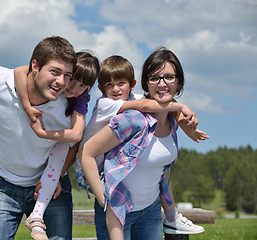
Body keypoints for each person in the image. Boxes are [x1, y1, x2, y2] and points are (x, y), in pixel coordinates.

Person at [0, 36, 77, 240]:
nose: (61, 82)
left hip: (47, 190)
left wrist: (57, 175)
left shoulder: (67, 108)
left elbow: (74, 144)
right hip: (1, 184)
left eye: (68, 75)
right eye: (55, 72)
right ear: (35, 66)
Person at [78, 49, 207, 239]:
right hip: (117, 204)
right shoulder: (124, 114)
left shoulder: (166, 119)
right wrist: (103, 198)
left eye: (169, 77)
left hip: (150, 209)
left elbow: (162, 167)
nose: (162, 83)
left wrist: (182, 121)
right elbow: (86, 153)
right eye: (155, 78)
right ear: (146, 83)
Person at [14, 51, 100, 240]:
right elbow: (20, 71)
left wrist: (57, 176)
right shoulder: (52, 85)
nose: (75, 88)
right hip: (25, 158)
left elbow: (76, 136)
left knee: (63, 146)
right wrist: (27, 106)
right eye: (73, 79)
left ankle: (37, 215)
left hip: (57, 154)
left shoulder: (81, 98)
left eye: (83, 85)